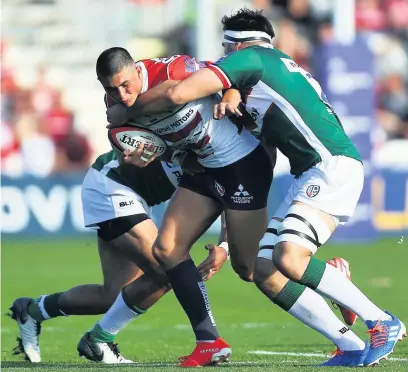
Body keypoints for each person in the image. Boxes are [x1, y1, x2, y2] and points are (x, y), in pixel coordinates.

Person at [106, 9, 406, 368]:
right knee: (261, 270)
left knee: (290, 258)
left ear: (237, 45)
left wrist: (123, 114)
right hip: (313, 172)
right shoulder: (265, 74)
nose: (222, 56)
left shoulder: (252, 60)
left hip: (330, 167)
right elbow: (264, 146)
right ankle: (352, 344)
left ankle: (380, 320)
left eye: (226, 49)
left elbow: (178, 94)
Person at [75, 47, 274, 367]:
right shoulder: (115, 106)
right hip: (205, 169)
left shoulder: (176, 70)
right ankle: (208, 341)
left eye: (125, 85)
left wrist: (232, 91)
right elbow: (129, 139)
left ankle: (328, 279)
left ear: (136, 71)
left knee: (252, 269)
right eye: (110, 88)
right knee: (166, 252)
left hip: (241, 162)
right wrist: (141, 157)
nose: (121, 95)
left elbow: (230, 73)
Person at [9, 151, 230, 364]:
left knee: (114, 297)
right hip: (113, 183)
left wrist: (225, 246)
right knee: (168, 268)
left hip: (136, 196)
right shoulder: (215, 131)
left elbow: (232, 195)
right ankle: (98, 340)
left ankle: (32, 311)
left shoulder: (240, 152)